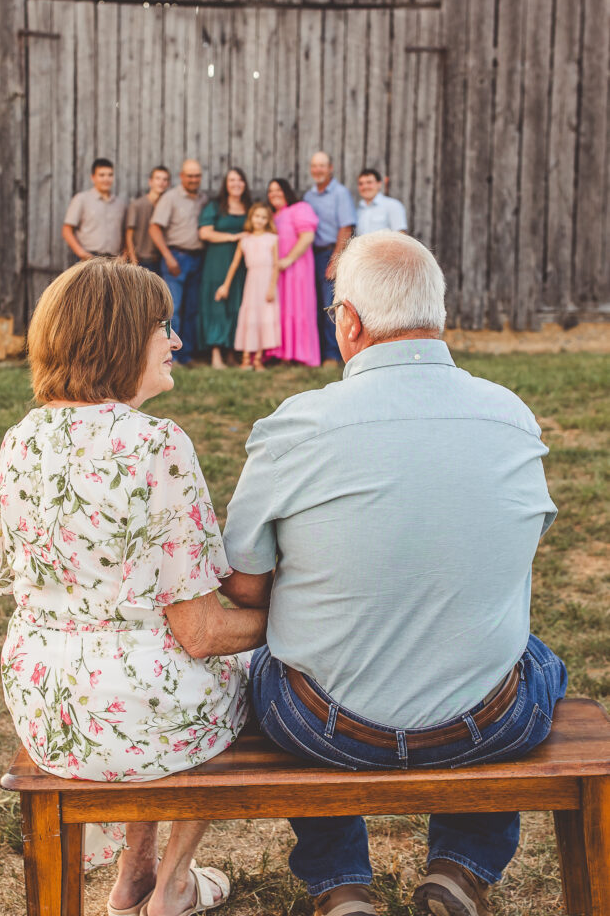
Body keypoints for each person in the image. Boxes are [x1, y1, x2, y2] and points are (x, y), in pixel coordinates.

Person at [222, 230, 567, 916]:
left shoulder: (298, 425)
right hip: (486, 724)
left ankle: (340, 886)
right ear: (435, 313)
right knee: (532, 660)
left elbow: (243, 586)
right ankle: (460, 869)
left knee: (270, 662)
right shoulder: (511, 417)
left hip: (326, 728)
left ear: (348, 320)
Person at [0, 258, 269, 916]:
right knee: (251, 667)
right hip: (134, 706)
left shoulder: (21, 438)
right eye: (161, 326)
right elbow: (200, 633)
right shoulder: (155, 444)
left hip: (44, 701)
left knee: (150, 669)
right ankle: (173, 883)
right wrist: (301, 619)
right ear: (117, 338)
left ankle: (134, 873)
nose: (175, 341)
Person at [149, 159, 208, 366]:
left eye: (197, 176)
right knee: (173, 310)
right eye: (190, 176)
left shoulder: (202, 199)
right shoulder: (171, 198)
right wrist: (168, 256)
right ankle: (169, 356)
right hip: (176, 258)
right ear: (182, 176)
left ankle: (187, 355)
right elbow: (154, 228)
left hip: (197, 258)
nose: (194, 179)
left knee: (192, 309)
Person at [303, 152, 357, 366]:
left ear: (330, 168)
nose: (318, 170)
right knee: (313, 305)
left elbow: (346, 227)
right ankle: (315, 354)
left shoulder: (340, 194)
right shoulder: (309, 197)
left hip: (330, 253)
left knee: (330, 306)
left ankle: (333, 355)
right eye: (314, 166)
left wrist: (335, 259)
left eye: (322, 166)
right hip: (310, 255)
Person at [197, 168, 252, 369]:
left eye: (239, 179)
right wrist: (233, 237)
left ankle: (232, 352)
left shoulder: (249, 207)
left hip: (242, 264)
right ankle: (215, 354)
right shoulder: (216, 206)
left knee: (237, 303)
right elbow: (204, 233)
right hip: (217, 261)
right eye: (231, 180)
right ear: (226, 184)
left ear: (244, 184)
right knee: (217, 304)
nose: (236, 183)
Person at [215, 203, 280, 372]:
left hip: (266, 283)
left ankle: (258, 359)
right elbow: (235, 264)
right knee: (250, 317)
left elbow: (276, 265)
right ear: (251, 218)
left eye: (264, 217)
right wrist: (226, 285)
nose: (260, 220)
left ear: (268, 220)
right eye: (257, 216)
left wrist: (272, 287)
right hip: (252, 283)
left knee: (263, 318)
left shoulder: (272, 239)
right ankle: (245, 358)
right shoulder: (245, 240)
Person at [264, 179, 320, 368]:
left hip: (297, 268)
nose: (274, 194)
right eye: (271, 191)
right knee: (281, 310)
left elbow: (307, 236)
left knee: (298, 308)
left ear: (287, 190)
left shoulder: (300, 208)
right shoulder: (272, 215)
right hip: (277, 271)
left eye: (278, 190)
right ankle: (281, 354)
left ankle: (299, 354)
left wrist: (289, 259)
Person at [62, 157, 127, 260]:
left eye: (110, 175)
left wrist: (124, 254)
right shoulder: (82, 199)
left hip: (113, 259)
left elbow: (124, 232)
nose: (106, 179)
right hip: (88, 257)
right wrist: (82, 253)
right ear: (93, 177)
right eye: (102, 175)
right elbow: (67, 230)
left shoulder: (120, 204)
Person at [125, 166, 171, 270]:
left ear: (168, 184)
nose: (161, 182)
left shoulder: (168, 206)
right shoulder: (137, 205)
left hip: (161, 261)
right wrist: (133, 261)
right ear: (150, 182)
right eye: (158, 178)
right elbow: (129, 236)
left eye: (165, 179)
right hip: (141, 261)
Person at [355, 168, 407, 235]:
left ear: (379, 184)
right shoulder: (357, 209)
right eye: (361, 184)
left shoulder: (393, 205)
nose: (365, 186)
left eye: (369, 182)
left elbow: (401, 235)